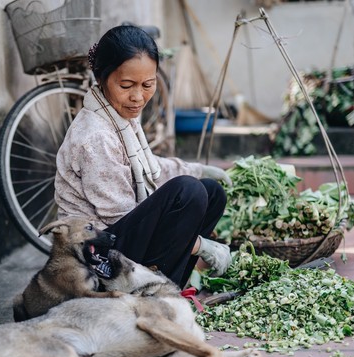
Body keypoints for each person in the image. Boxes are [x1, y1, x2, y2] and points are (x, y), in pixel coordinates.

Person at [54, 25, 232, 288]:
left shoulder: (119, 114)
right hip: (93, 256)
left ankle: (167, 286)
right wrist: (198, 245)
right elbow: (119, 217)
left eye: (148, 85)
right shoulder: (95, 136)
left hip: (119, 234)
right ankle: (150, 294)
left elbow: (149, 168)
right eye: (126, 85)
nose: (138, 97)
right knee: (188, 192)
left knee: (211, 192)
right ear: (101, 78)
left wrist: (197, 169)